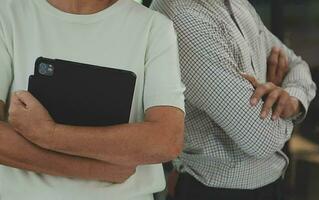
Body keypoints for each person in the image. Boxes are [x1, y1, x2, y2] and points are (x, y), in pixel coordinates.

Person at [0, 0, 185, 200]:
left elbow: (166, 140)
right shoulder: (8, 14)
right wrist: (91, 169)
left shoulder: (153, 28)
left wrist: (48, 133)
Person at [150, 0, 317, 199]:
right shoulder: (184, 16)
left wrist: (292, 102)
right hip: (216, 192)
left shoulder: (235, 3)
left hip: (266, 186)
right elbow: (261, 139)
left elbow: (297, 64)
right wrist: (286, 110)